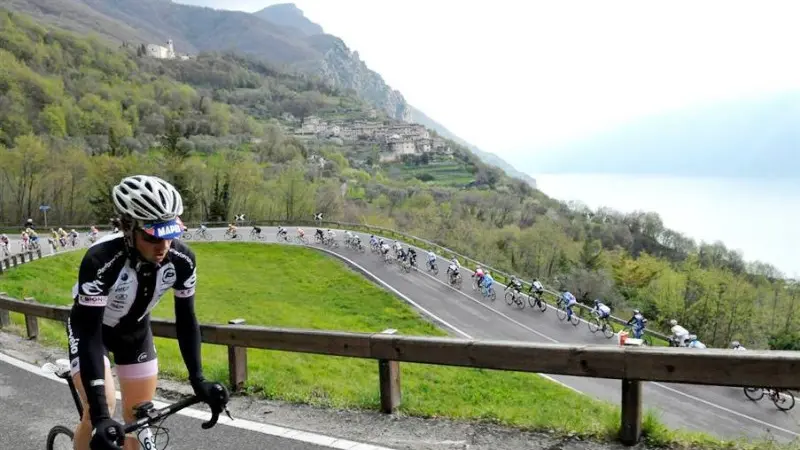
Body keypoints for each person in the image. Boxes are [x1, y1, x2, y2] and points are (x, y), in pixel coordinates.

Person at [67, 175, 228, 450]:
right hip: (93, 334)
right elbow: (91, 334)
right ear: (128, 228)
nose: (163, 247)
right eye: (153, 237)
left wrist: (198, 379)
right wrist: (102, 418)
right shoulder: (101, 261)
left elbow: (187, 320)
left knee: (140, 419)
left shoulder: (183, 260)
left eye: (170, 235)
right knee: (100, 409)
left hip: (136, 334)